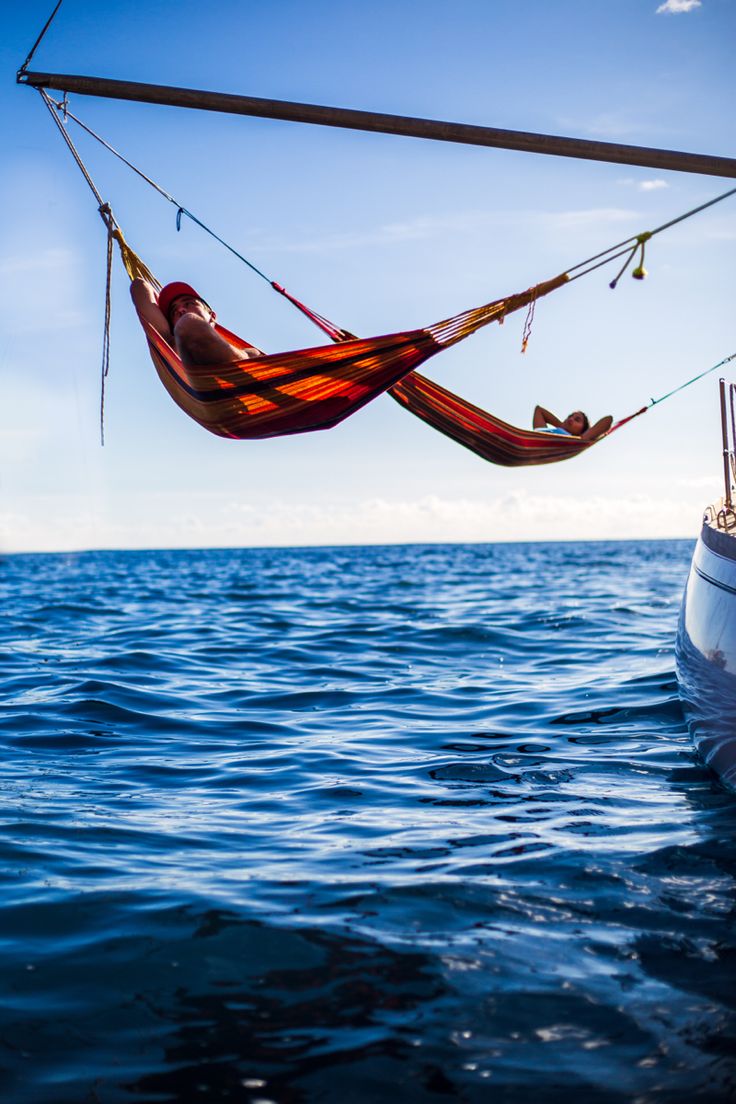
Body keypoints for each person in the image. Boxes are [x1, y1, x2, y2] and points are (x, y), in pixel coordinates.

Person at [130, 278, 261, 366]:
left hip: (247, 389)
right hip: (203, 394)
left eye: (189, 303)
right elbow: (139, 285)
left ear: (212, 315)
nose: (180, 309)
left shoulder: (249, 353)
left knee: (254, 353)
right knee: (188, 322)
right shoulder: (169, 343)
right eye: (173, 311)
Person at [533, 405, 612, 441]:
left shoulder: (577, 440)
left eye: (577, 420)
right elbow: (539, 409)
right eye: (569, 416)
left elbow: (608, 419)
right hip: (529, 444)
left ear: (582, 431)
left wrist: (586, 435)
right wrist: (562, 425)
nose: (571, 419)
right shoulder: (542, 433)